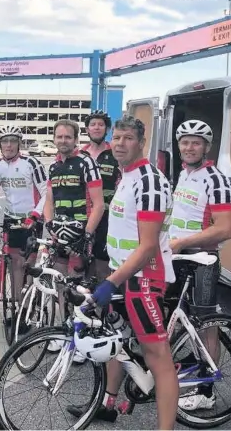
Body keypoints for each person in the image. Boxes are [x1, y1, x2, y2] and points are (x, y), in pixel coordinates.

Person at [70, 115, 178, 429]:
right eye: (117, 137)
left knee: (158, 358)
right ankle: (107, 403)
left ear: (141, 143)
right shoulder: (125, 175)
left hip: (144, 278)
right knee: (118, 339)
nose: (120, 143)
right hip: (122, 273)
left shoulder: (150, 181)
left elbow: (146, 247)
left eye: (127, 138)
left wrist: (111, 282)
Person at [169, 120, 231, 411]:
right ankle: (187, 374)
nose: (189, 147)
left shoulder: (214, 179)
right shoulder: (184, 175)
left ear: (207, 147)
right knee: (183, 321)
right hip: (180, 258)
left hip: (202, 260)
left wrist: (183, 242)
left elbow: (226, 229)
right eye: (185, 142)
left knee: (205, 326)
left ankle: (207, 392)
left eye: (196, 142)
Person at [43, 119, 104, 360]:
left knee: (82, 285)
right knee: (60, 282)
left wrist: (87, 235)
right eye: (59, 137)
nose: (63, 141)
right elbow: (49, 200)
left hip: (82, 234)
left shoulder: (86, 162)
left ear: (76, 139)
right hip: (60, 234)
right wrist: (50, 225)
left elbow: (98, 204)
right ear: (54, 139)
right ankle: (63, 330)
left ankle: (84, 335)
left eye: (68, 137)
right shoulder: (53, 166)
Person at [0, 125, 48, 318]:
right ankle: (17, 306)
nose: (8, 145)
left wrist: (35, 216)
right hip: (10, 218)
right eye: (4, 141)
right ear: (0, 144)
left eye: (12, 141)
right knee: (14, 264)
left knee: (27, 265)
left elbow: (47, 194)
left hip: (31, 219)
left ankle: (29, 305)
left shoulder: (31, 163)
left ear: (19, 143)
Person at [82, 110, 121, 281]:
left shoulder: (116, 154)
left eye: (101, 124)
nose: (97, 128)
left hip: (108, 217)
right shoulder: (80, 155)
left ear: (107, 129)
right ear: (87, 129)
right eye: (93, 124)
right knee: (82, 265)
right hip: (83, 215)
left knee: (102, 265)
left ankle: (103, 306)